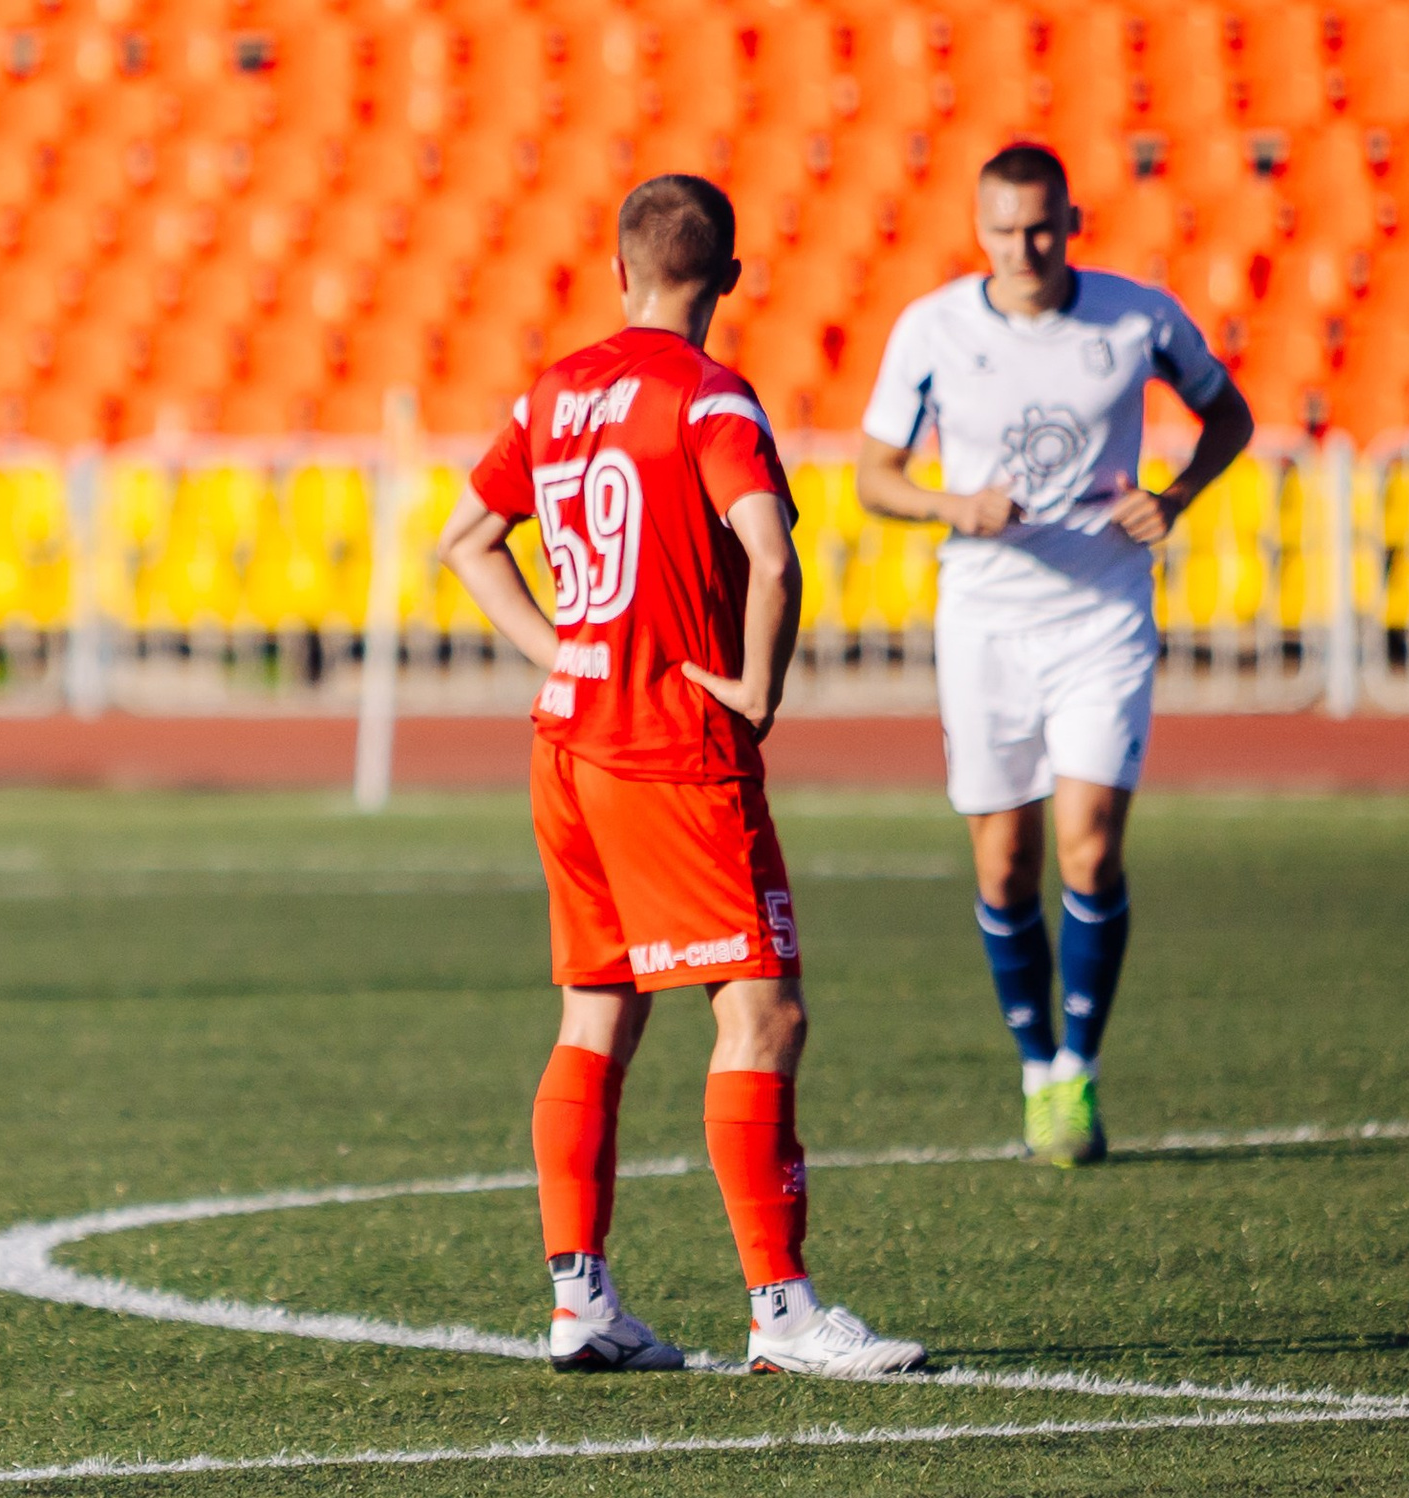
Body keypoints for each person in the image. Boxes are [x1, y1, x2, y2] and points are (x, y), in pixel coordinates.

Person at [438, 175, 926, 1380]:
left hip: (566, 737)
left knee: (596, 1010)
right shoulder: (706, 394)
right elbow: (768, 548)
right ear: (730, 278)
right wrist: (758, 685)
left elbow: (464, 539)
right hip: (669, 746)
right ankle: (781, 1309)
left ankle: (579, 1298)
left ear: (620, 272)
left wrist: (564, 647)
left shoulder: (553, 391)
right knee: (761, 1013)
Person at [856, 144, 1254, 1166]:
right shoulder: (932, 329)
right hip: (984, 617)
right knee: (1004, 864)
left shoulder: (1135, 317)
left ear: (1070, 220)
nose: (1022, 247)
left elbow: (1228, 413)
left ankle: (1074, 1066)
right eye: (1002, 228)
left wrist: (1172, 496)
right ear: (976, 227)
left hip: (1103, 612)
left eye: (1039, 226)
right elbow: (872, 477)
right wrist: (953, 505)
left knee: (1089, 843)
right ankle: (1031, 1062)